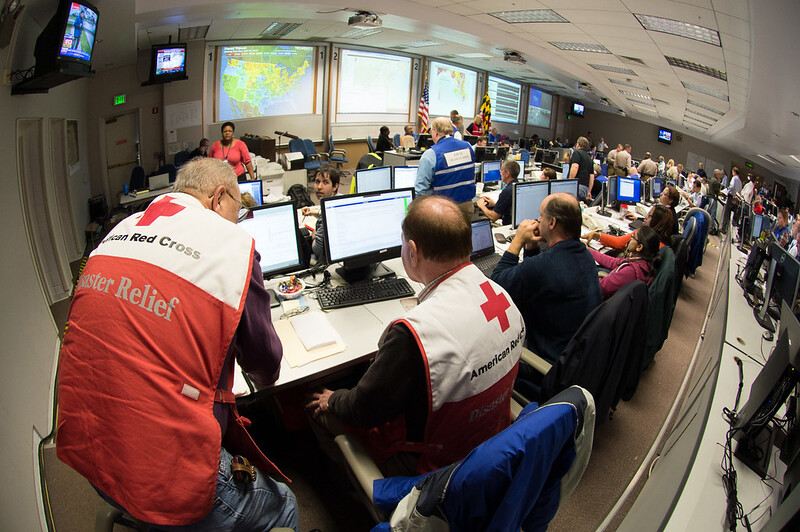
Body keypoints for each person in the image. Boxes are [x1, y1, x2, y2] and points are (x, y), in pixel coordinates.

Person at [56, 158, 298, 531]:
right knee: (285, 505)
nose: (238, 220)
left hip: (91, 457)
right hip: (166, 482)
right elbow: (266, 365)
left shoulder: (118, 232)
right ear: (220, 198)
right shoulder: (231, 244)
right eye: (238, 209)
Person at [307, 195, 524, 475]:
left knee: (314, 403)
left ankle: (355, 493)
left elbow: (362, 409)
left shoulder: (413, 335)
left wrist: (333, 399)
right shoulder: (502, 297)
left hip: (438, 466)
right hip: (488, 442)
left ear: (412, 250)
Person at [491, 193, 602, 363]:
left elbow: (497, 286)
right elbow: (535, 277)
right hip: (576, 353)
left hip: (548, 365)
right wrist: (532, 244)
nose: (538, 219)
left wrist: (518, 240)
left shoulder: (545, 265)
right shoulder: (584, 254)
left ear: (552, 223)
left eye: (541, 215)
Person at [415, 116, 476, 217]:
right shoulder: (467, 147)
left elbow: (421, 190)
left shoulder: (431, 154)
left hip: (443, 211)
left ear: (435, 131)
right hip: (466, 207)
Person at [588, 225, 662, 300]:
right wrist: (588, 250)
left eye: (633, 237)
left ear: (639, 247)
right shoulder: (641, 262)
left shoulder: (631, 272)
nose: (630, 238)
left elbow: (601, 287)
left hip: (598, 301)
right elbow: (612, 262)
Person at [584, 204, 674, 250]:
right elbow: (618, 242)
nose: (645, 217)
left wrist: (590, 251)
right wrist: (597, 235)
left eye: (649, 215)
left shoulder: (645, 242)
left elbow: (618, 243)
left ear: (657, 222)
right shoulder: (662, 245)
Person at [302, 164, 341, 260]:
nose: (319, 187)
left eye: (325, 182)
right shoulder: (340, 199)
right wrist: (314, 213)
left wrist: (314, 235)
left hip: (328, 260)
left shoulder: (327, 211)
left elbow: (317, 249)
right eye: (317, 182)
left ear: (335, 186)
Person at [477, 159, 520, 225]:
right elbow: (509, 207)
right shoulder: (517, 186)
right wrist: (496, 204)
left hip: (507, 226)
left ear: (507, 174)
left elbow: (493, 217)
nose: (500, 173)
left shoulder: (507, 192)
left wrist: (481, 205)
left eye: (501, 170)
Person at [568, 136, 595, 202]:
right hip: (585, 188)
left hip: (577, 186)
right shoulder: (589, 158)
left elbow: (575, 167)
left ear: (578, 144)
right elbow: (592, 177)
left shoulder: (577, 153)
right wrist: (589, 191)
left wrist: (569, 183)